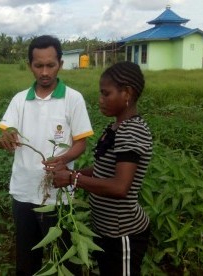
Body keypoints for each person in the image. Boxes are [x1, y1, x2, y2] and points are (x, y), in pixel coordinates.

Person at [0, 35, 94, 276]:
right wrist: (4, 140)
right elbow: (5, 133)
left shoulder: (73, 99)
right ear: (30, 65)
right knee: (27, 259)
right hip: (24, 192)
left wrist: (61, 159)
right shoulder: (20, 100)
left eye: (50, 65)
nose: (45, 72)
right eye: (38, 65)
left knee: (65, 257)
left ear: (60, 63)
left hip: (59, 195)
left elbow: (80, 143)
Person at [49, 61, 153, 275]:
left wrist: (72, 179)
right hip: (106, 230)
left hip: (123, 234)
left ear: (127, 93)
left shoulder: (132, 131)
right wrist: (72, 172)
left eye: (106, 94)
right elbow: (101, 170)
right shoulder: (116, 127)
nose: (100, 100)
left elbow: (119, 187)